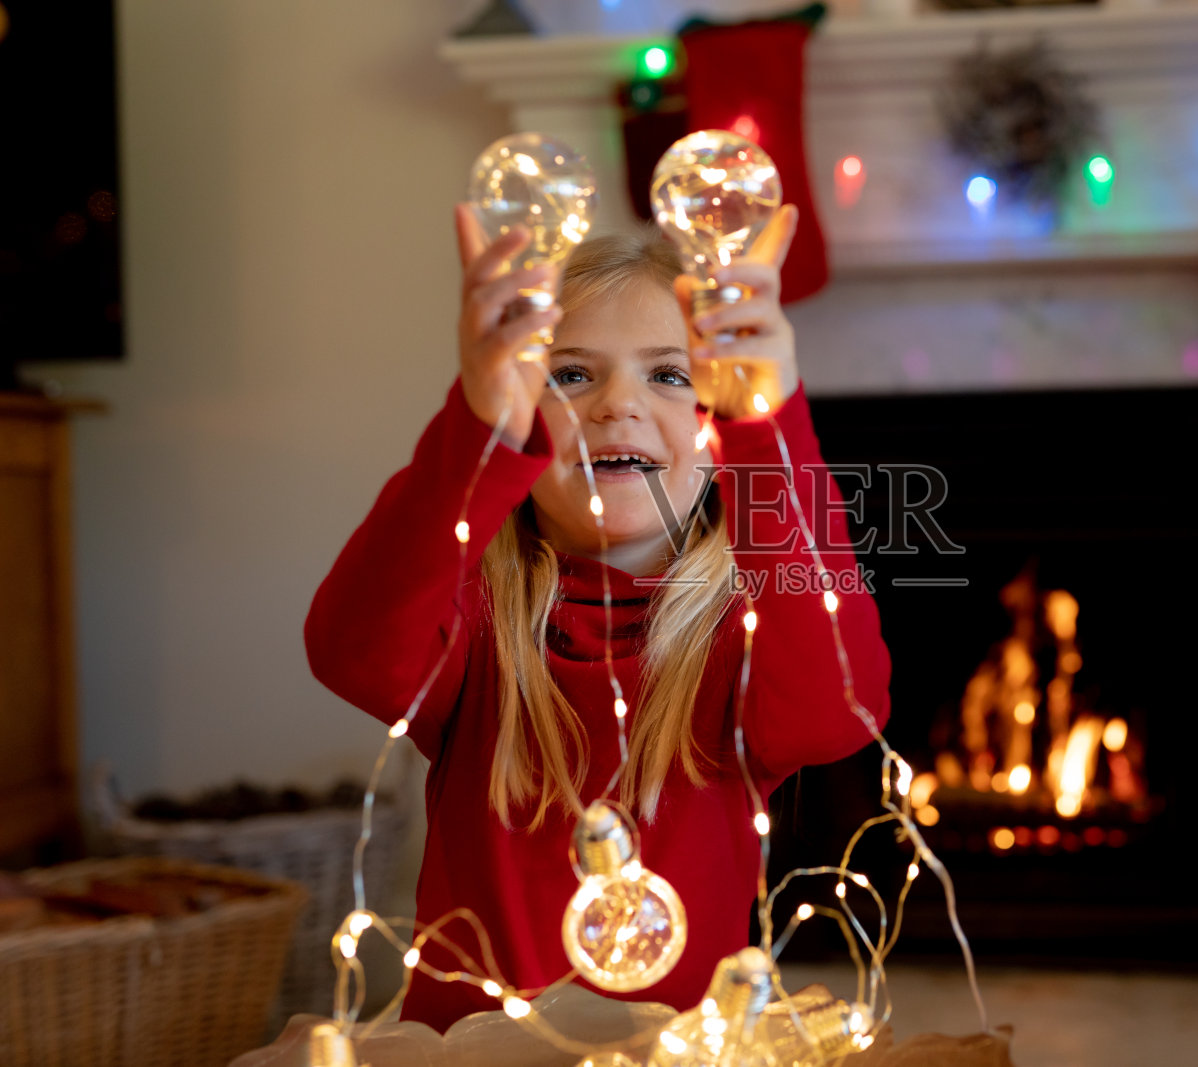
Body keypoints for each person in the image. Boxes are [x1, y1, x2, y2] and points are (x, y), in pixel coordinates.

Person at [304, 203, 891, 1034]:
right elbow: (349, 649)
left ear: (716, 432)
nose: (618, 403)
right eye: (572, 374)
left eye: (671, 375)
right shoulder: (475, 615)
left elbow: (842, 708)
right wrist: (478, 429)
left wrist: (766, 427)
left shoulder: (746, 630)